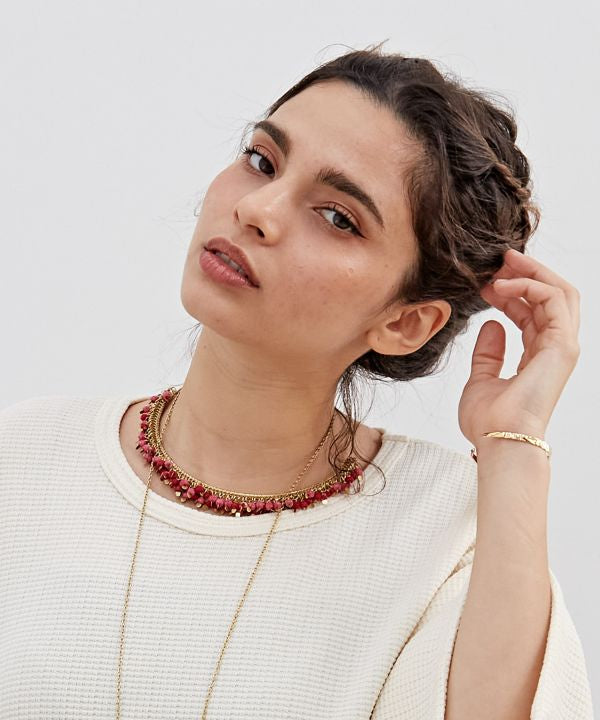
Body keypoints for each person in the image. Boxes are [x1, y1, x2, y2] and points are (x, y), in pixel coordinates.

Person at [0, 43, 593, 719]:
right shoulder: (25, 456)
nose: (258, 209)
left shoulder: (450, 532)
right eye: (262, 161)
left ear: (405, 322)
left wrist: (514, 445)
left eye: (338, 217)